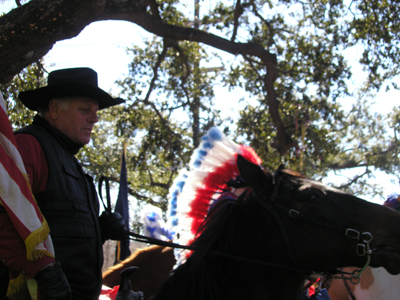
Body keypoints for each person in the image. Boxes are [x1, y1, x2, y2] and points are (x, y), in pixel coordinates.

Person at [0, 67, 127, 300]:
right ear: (55, 109)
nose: (95, 118)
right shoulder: (28, 147)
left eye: (96, 111)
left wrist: (100, 231)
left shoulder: (71, 163)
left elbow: (59, 234)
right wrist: (42, 271)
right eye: (85, 109)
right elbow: (4, 217)